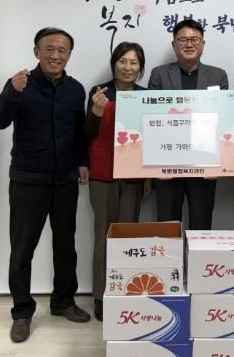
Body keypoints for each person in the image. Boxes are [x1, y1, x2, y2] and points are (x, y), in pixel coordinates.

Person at [0, 27, 91, 343]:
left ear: (69, 55)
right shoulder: (21, 83)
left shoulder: (75, 89)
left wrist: (82, 161)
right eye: (49, 49)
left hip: (65, 181)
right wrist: (11, 92)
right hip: (28, 181)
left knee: (66, 245)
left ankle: (63, 302)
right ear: (36, 52)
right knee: (22, 249)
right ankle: (22, 311)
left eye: (62, 50)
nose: (55, 55)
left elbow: (79, 131)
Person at [85, 41, 151, 322]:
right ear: (114, 64)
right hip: (103, 174)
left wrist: (149, 177)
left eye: (134, 62)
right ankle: (101, 295)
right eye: (122, 61)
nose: (127, 67)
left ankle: (125, 289)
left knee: (127, 236)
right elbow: (87, 134)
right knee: (104, 235)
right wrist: (96, 112)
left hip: (134, 176)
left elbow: (153, 140)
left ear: (140, 68)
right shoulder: (99, 92)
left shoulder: (147, 96)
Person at [148, 19, 228, 229]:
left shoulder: (218, 76)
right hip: (167, 163)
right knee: (167, 226)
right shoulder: (159, 74)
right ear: (174, 44)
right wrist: (156, 164)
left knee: (201, 226)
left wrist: (217, 163)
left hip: (204, 163)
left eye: (194, 39)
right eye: (183, 40)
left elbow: (223, 120)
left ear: (203, 44)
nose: (189, 44)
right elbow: (150, 118)